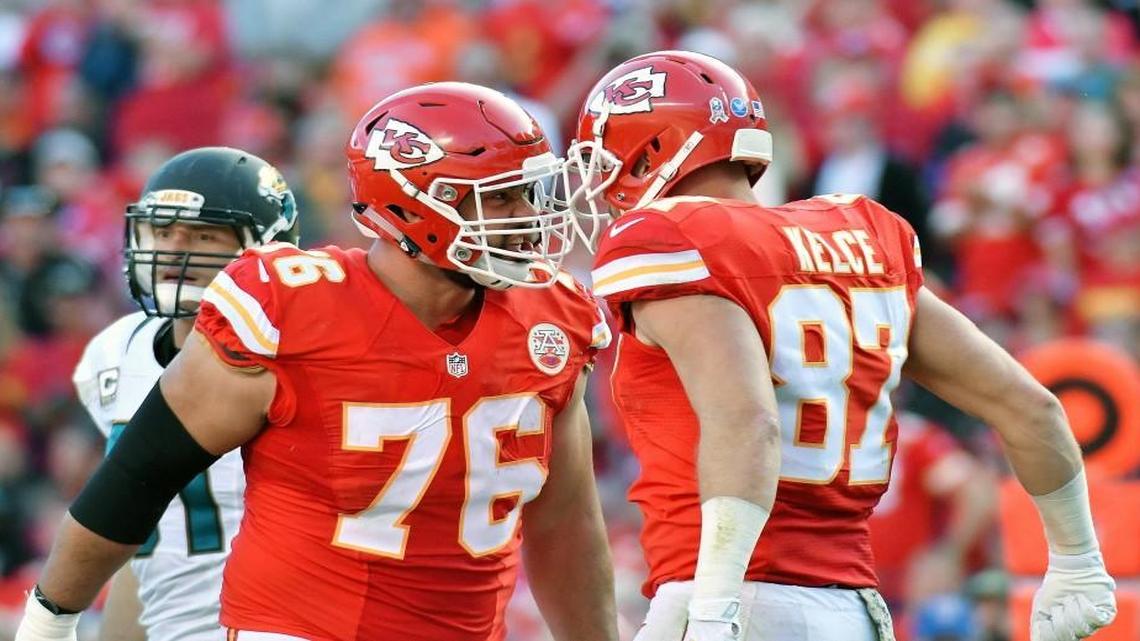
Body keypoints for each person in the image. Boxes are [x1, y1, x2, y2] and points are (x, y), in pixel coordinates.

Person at [17, 82, 618, 641]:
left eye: (528, 193)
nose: (526, 218)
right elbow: (134, 482)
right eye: (501, 197)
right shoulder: (292, 310)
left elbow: (564, 522)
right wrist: (46, 625)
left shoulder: (551, 314)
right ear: (411, 207)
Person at [563, 50, 1116, 641]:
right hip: (852, 612)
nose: (600, 183)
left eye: (606, 159)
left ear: (650, 152)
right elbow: (1031, 406)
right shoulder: (862, 236)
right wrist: (1078, 561)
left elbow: (750, 423)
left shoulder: (671, 237)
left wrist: (712, 610)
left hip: (727, 597)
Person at [71, 146, 301, 641]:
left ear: (267, 248)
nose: (175, 250)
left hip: (284, 622)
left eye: (202, 235)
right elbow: (146, 533)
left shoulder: (300, 352)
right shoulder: (115, 353)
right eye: (162, 231)